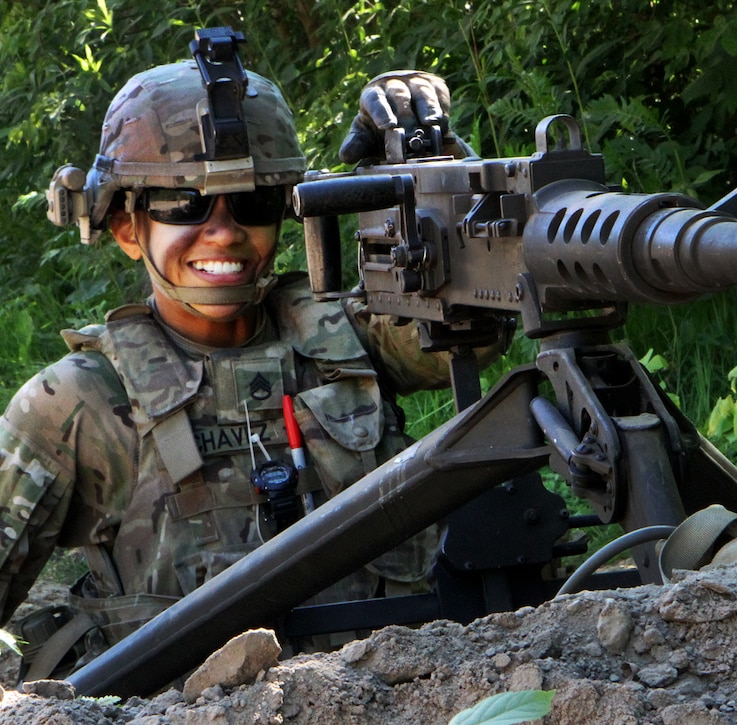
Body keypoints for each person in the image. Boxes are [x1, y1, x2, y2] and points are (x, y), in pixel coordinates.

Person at [0, 27, 481, 680]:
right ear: (125, 228)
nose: (223, 230)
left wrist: (431, 161)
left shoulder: (348, 338)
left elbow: (469, 313)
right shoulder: (79, 404)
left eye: (252, 201)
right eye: (184, 201)